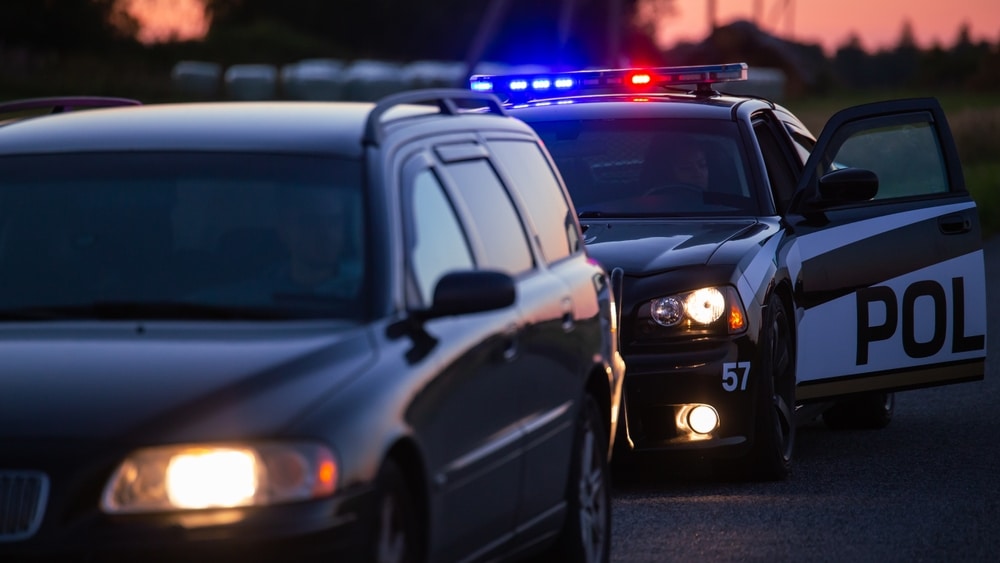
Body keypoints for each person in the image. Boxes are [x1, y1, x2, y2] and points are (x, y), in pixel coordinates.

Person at [272, 186, 361, 299]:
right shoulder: (259, 295)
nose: (327, 234)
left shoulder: (364, 288)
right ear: (284, 229)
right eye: (312, 222)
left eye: (334, 222)